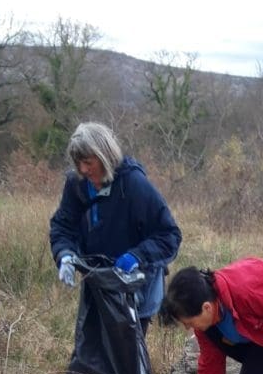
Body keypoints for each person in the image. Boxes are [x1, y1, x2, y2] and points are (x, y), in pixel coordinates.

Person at [49, 122, 182, 335]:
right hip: (98, 285)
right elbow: (63, 226)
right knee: (92, 350)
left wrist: (137, 256)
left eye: (88, 162)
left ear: (105, 156)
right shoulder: (77, 183)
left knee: (128, 351)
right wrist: (64, 254)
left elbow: (169, 235)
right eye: (78, 163)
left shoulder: (134, 185)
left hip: (136, 289)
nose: (83, 169)